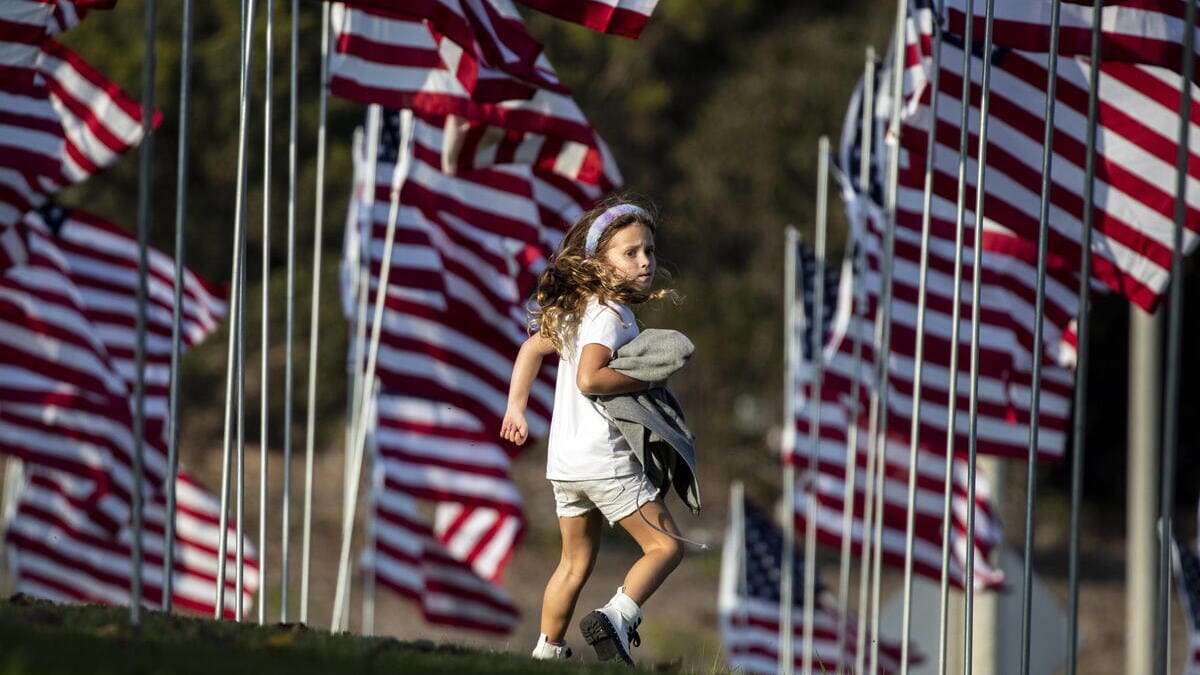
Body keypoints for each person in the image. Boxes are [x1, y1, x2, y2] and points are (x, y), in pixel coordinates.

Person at [500, 199, 685, 666]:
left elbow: (529, 348)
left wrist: (516, 409)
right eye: (630, 252)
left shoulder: (576, 310)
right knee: (666, 546)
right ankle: (617, 618)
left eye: (649, 251)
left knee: (574, 563)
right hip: (604, 459)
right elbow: (589, 376)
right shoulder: (612, 315)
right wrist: (646, 380)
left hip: (565, 463)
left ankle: (545, 653)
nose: (644, 261)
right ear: (601, 260)